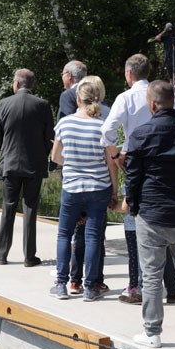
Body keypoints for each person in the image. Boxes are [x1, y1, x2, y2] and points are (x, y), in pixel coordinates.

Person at [122, 81, 175, 348]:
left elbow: (133, 178)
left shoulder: (140, 134)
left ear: (151, 104)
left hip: (151, 213)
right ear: (174, 102)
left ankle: (152, 334)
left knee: (151, 276)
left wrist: (134, 207)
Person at [102, 54, 175, 304]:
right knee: (164, 226)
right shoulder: (164, 93)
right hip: (169, 164)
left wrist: (116, 155)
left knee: (140, 229)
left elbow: (106, 131)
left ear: (129, 73)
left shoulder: (126, 98)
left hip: (137, 163)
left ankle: (141, 287)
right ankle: (171, 287)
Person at [51, 76, 114, 301]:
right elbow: (111, 162)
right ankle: (90, 287)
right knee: (94, 237)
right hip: (99, 187)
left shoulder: (64, 123)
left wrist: (73, 160)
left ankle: (61, 284)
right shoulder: (103, 126)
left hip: (72, 187)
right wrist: (115, 190)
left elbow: (56, 157)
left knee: (64, 235)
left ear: (78, 99)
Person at [0, 69, 53, 266]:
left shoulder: (4, 104)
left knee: (8, 208)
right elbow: (49, 137)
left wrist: (6, 153)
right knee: (30, 209)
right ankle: (29, 256)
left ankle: (2, 254)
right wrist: (41, 155)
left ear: (17, 84)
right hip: (34, 164)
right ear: (31, 84)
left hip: (10, 163)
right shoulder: (43, 105)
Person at [58, 60, 89, 289]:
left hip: (74, 168)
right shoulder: (97, 92)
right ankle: (93, 277)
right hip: (97, 173)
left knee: (69, 228)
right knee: (92, 229)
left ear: (69, 76)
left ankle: (68, 275)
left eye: (62, 74)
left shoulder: (68, 96)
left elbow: (63, 131)